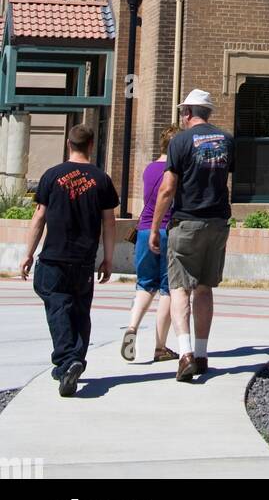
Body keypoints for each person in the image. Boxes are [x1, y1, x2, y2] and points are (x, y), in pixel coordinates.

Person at [20, 123, 118, 397]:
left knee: (58, 306)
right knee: (79, 310)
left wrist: (28, 253)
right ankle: (73, 360)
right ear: (91, 146)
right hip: (84, 259)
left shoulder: (52, 176)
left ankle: (67, 360)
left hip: (54, 256)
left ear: (68, 145)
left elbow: (39, 217)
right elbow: (109, 222)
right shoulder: (101, 179)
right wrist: (108, 258)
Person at [150, 88, 234, 382]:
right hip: (218, 223)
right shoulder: (227, 140)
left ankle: (184, 353)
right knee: (205, 287)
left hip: (186, 222)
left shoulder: (180, 142)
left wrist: (155, 227)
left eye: (182, 112)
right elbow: (226, 179)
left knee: (179, 288)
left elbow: (167, 188)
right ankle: (202, 354)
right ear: (207, 113)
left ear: (187, 113)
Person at [121, 124, 180, 364]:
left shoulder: (149, 169)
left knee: (144, 284)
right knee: (168, 288)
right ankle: (160, 346)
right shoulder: (176, 171)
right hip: (167, 231)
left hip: (144, 231)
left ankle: (132, 326)